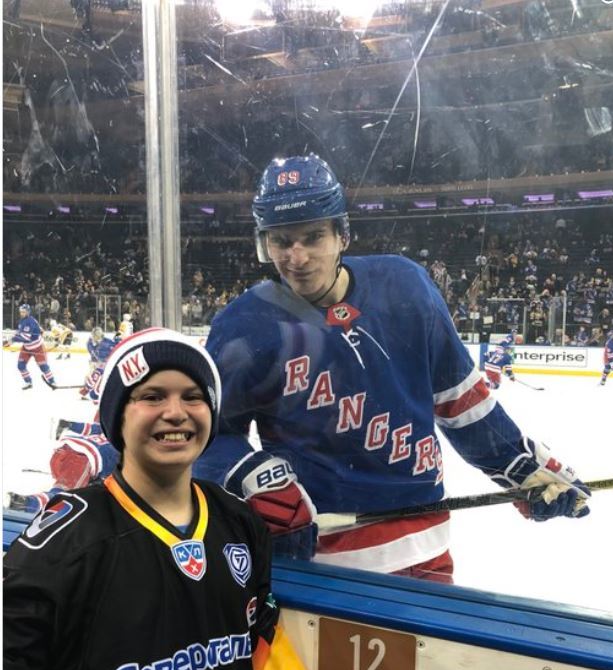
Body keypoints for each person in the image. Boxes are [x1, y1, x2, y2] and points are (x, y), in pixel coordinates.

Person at [3, 327, 399, 670]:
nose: (176, 412)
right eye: (151, 396)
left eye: (193, 396)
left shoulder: (238, 522)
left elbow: (258, 641)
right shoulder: (66, 543)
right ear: (116, 418)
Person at [194, 154, 590, 579]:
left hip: (423, 546)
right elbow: (205, 435)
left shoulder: (406, 287)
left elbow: (460, 400)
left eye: (312, 237)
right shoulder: (245, 325)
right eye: (281, 240)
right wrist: (254, 476)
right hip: (311, 556)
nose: (297, 257)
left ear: (342, 234)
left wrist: (518, 465)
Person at [4, 418, 117, 514]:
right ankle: (26, 503)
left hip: (63, 452)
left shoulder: (112, 429)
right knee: (67, 497)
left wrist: (71, 425)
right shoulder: (126, 449)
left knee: (75, 489)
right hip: (81, 459)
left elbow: (91, 428)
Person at [3, 303, 56, 391]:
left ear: (28, 312)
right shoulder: (22, 320)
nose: (22, 313)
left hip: (37, 348)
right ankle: (28, 382)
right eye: (21, 312)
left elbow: (26, 338)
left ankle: (52, 381)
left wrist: (12, 340)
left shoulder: (30, 321)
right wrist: (11, 339)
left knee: (43, 366)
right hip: (26, 348)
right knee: (21, 366)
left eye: (24, 312)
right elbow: (22, 332)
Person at [78, 325, 117, 402]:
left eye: (95, 336)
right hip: (98, 362)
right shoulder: (90, 342)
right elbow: (93, 353)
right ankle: (87, 389)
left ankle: (95, 391)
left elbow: (115, 348)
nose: (94, 337)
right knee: (91, 375)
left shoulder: (107, 342)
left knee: (99, 376)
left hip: (107, 363)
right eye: (94, 335)